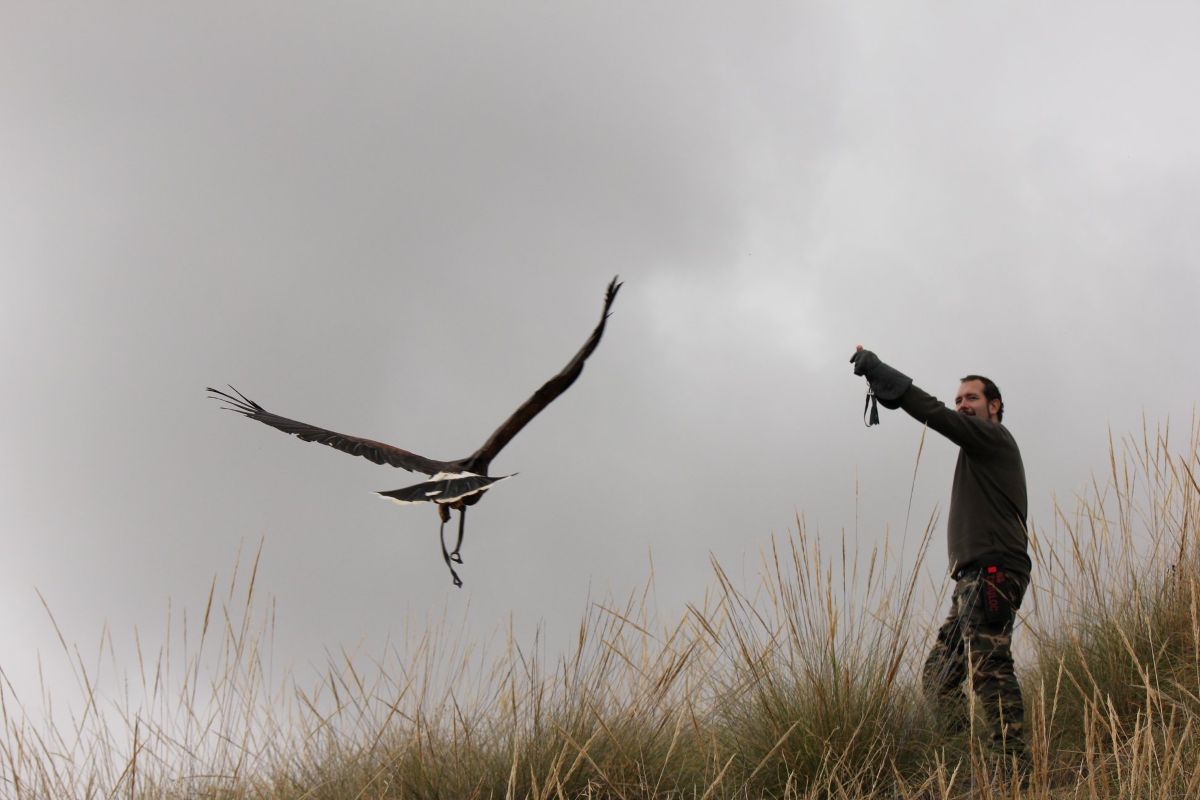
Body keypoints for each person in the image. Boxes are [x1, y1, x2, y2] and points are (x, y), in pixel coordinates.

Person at [850, 346, 1031, 763]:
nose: (962, 405)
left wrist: (882, 373)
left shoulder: (993, 438)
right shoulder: (978, 449)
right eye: (959, 399)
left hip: (993, 572)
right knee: (940, 675)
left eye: (972, 398)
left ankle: (1014, 767)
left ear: (994, 406)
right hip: (974, 577)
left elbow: (936, 414)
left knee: (990, 667)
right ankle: (965, 761)